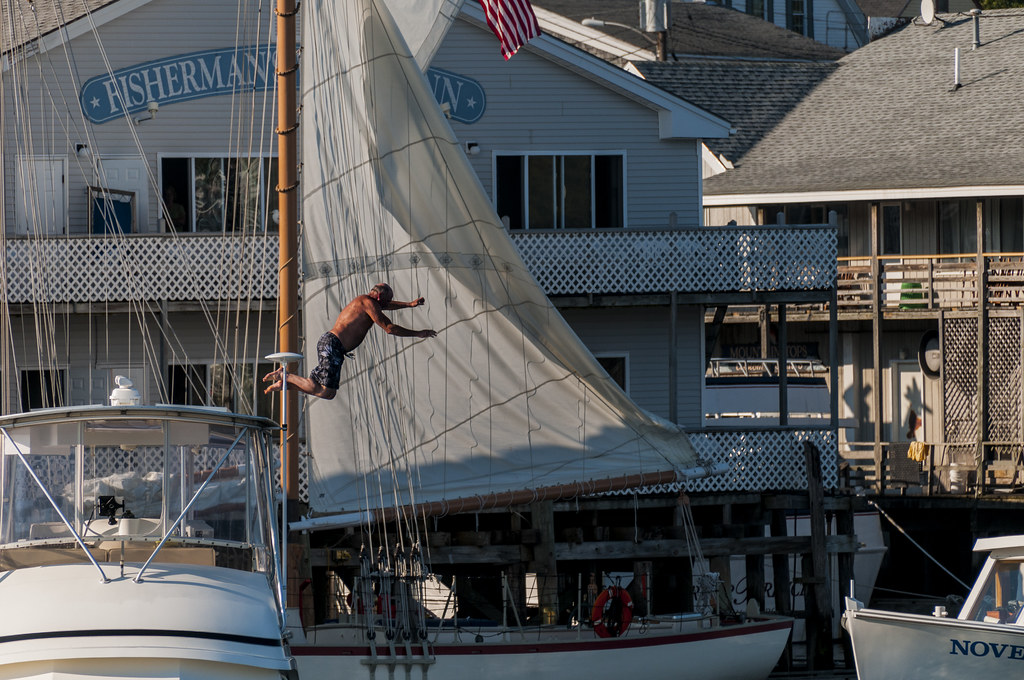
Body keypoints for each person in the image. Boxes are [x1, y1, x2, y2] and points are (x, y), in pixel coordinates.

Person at [262, 283, 436, 399]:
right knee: (325, 391)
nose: (387, 305)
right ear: (378, 298)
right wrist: (419, 333)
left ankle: (287, 384)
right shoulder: (368, 303)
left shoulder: (368, 301)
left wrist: (409, 304)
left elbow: (386, 305)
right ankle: (285, 375)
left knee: (328, 393)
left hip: (333, 346)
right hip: (333, 344)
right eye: (386, 302)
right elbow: (389, 329)